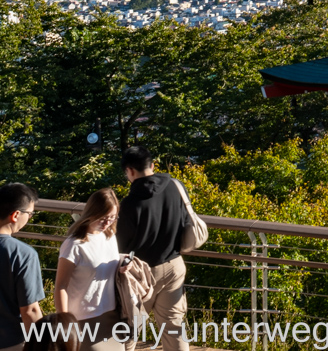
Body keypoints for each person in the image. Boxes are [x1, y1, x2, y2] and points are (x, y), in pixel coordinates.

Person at [116, 147, 189, 351]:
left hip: (140, 274)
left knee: (128, 328)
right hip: (174, 265)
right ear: (153, 166)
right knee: (174, 328)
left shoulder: (130, 204)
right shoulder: (175, 186)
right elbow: (185, 220)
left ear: (129, 171)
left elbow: (121, 245)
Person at [55, 189, 123, 351]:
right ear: (92, 212)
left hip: (111, 315)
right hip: (82, 319)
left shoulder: (109, 236)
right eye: (104, 217)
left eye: (113, 217)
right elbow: (60, 286)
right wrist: (65, 322)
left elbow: (106, 261)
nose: (108, 222)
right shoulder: (74, 245)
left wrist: (125, 262)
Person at [0, 183, 43, 351]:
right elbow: (30, 311)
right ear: (16, 215)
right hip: (10, 342)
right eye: (30, 214)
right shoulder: (23, 254)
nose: (30, 217)